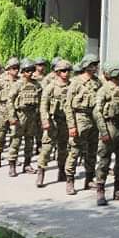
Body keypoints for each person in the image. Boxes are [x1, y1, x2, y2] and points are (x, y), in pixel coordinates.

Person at [93, 60, 119, 205]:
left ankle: (118, 189)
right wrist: (103, 131)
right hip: (109, 127)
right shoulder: (104, 90)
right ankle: (100, 189)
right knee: (104, 161)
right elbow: (97, 112)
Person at [64, 54, 100, 195]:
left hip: (94, 118)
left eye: (96, 64)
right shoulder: (76, 82)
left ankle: (89, 179)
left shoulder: (97, 82)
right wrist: (72, 126)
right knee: (75, 150)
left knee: (92, 150)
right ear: (86, 66)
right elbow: (68, 106)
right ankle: (70, 180)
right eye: (93, 64)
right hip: (80, 117)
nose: (95, 67)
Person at [36, 58, 71, 186]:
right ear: (57, 72)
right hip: (53, 120)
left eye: (68, 70)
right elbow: (43, 105)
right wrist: (45, 121)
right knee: (47, 148)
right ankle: (41, 172)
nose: (66, 73)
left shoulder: (72, 86)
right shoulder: (50, 87)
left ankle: (61, 171)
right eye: (63, 71)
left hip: (66, 122)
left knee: (63, 148)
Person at [6, 58, 42, 177]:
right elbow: (10, 101)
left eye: (32, 70)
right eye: (27, 70)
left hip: (32, 115)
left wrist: (41, 117)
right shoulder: (18, 84)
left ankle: (27, 164)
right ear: (23, 71)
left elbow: (42, 101)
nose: (30, 73)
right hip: (20, 115)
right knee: (16, 140)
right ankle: (12, 165)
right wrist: (12, 117)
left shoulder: (37, 84)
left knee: (29, 141)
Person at [0, 57, 20, 168]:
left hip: (16, 112)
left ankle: (12, 158)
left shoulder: (20, 81)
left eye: (17, 68)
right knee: (0, 136)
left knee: (15, 136)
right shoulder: (1, 82)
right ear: (8, 69)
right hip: (2, 111)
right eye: (13, 68)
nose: (16, 70)